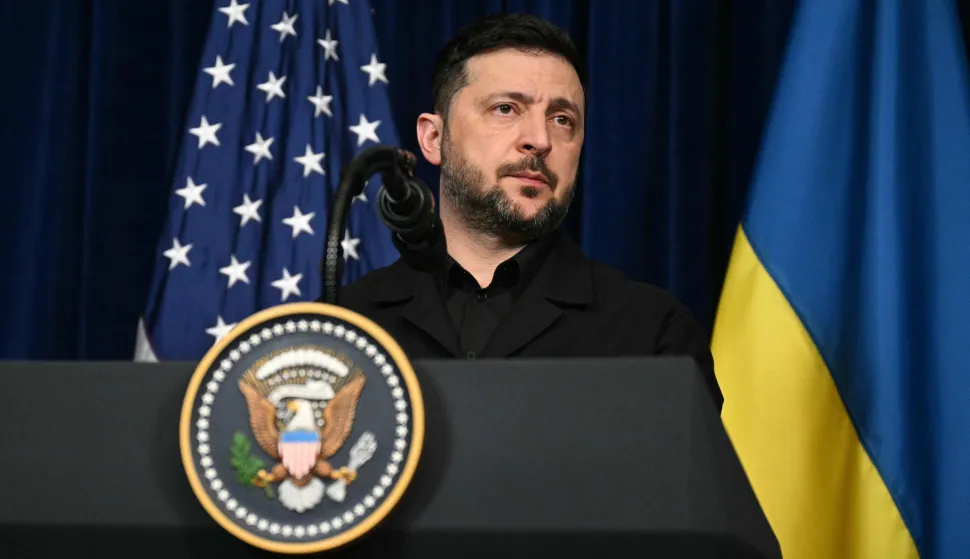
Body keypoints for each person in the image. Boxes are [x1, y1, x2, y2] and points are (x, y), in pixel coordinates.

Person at [335, 13, 722, 411]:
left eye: (562, 119)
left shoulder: (652, 336)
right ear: (434, 138)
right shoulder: (343, 326)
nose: (539, 140)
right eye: (506, 109)